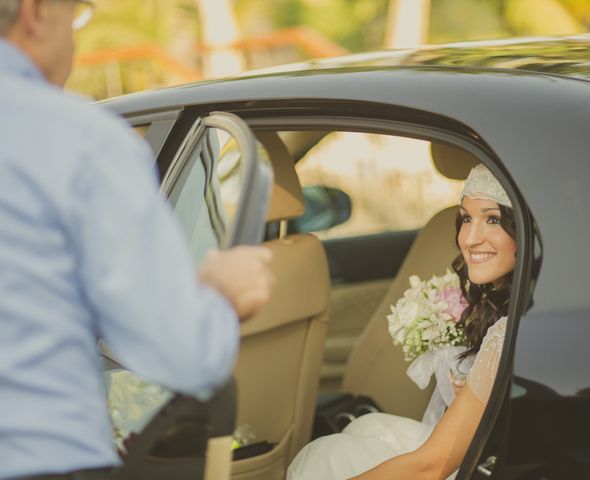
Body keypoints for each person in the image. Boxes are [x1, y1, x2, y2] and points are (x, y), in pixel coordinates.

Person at [0, 1, 274, 479]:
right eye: (75, 14)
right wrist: (218, 295)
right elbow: (184, 356)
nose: (75, 35)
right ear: (36, 11)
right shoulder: (78, 140)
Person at [287, 163, 515, 480]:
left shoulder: (506, 334)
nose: (471, 238)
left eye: (493, 220)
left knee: (326, 456)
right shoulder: (515, 310)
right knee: (365, 427)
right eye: (466, 218)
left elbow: (431, 467)